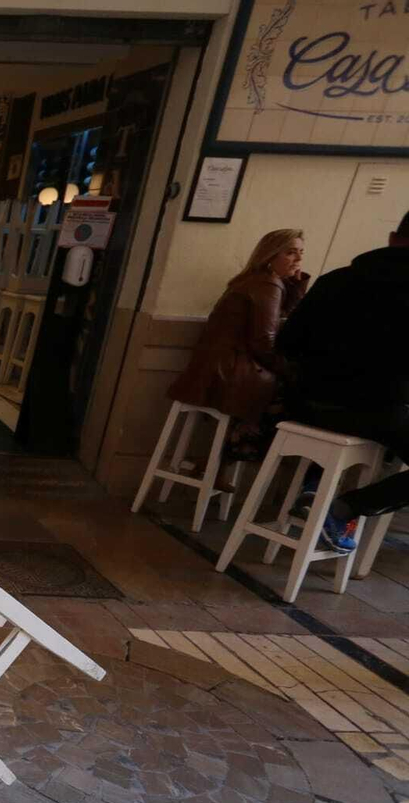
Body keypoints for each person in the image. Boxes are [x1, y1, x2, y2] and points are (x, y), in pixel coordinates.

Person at [277, 209, 409, 553]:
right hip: (376, 412)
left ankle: (315, 485)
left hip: (305, 404)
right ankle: (344, 509)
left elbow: (287, 343)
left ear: (393, 239)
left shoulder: (334, 280)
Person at [166, 228, 309, 467]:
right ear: (271, 255)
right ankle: (219, 462)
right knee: (290, 397)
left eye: (301, 253)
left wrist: (295, 286)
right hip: (230, 371)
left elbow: (279, 319)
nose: (298, 260)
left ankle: (217, 463)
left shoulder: (254, 280)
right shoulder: (268, 285)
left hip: (212, 368)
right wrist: (291, 372)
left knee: (280, 390)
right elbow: (264, 344)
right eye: (291, 252)